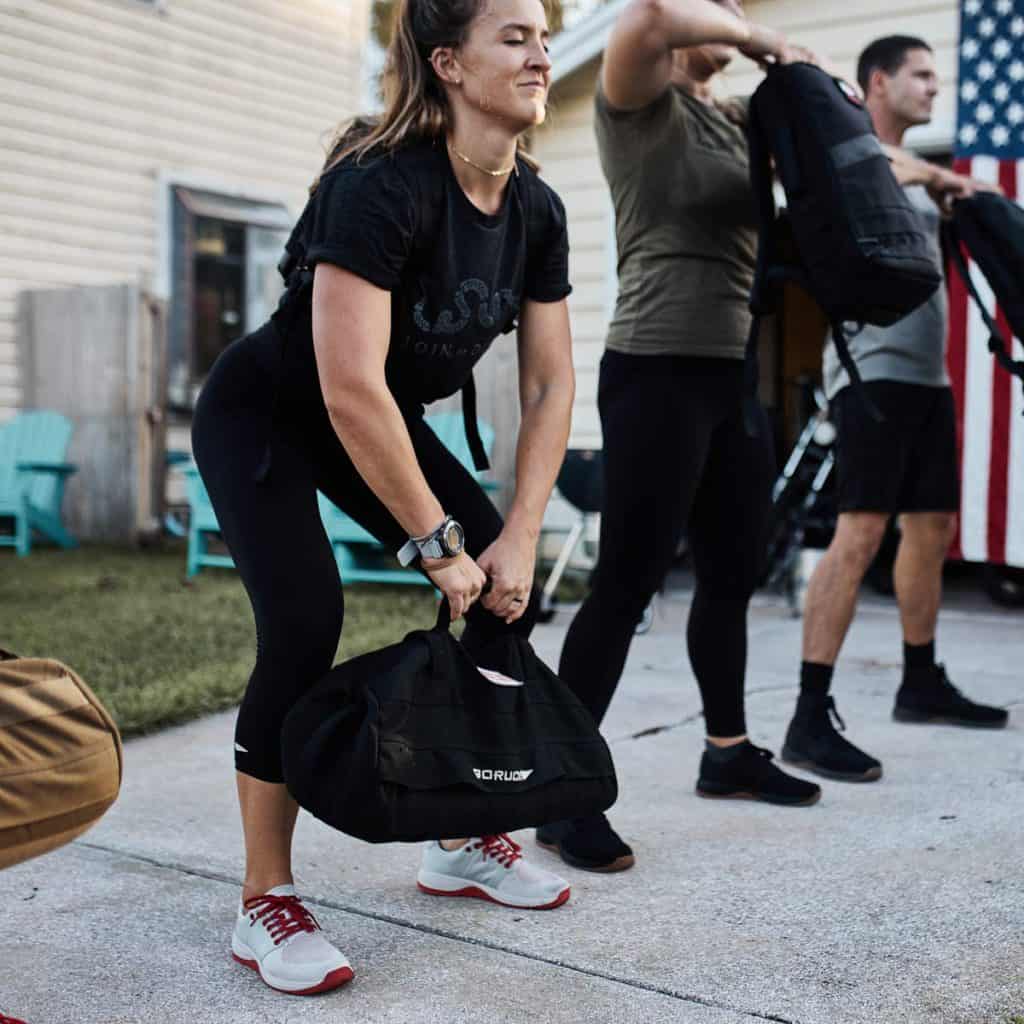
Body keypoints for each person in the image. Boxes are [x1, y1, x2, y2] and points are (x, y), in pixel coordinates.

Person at [191, 0, 576, 995]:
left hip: (373, 413)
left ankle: (455, 832)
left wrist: (516, 531)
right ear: (447, 63)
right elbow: (348, 388)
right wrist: (431, 540)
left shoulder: (536, 208)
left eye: (543, 34)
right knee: (305, 616)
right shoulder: (379, 185)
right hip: (270, 412)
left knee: (500, 584)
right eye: (516, 37)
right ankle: (263, 899)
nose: (541, 53)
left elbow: (547, 384)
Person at [539, 0, 824, 877]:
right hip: (654, 366)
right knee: (626, 583)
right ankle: (563, 795)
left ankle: (727, 751)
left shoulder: (739, 120)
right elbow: (654, 14)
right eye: (723, 7)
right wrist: (765, 35)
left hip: (728, 372)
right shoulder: (638, 105)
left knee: (731, 573)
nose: (730, 17)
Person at [781, 35, 1010, 784]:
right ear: (878, 81)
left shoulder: (922, 178)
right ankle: (808, 716)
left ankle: (920, 680)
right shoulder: (852, 151)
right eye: (921, 75)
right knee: (861, 529)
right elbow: (858, 176)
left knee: (931, 526)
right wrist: (941, 178)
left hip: (925, 379)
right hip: (869, 373)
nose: (933, 88)